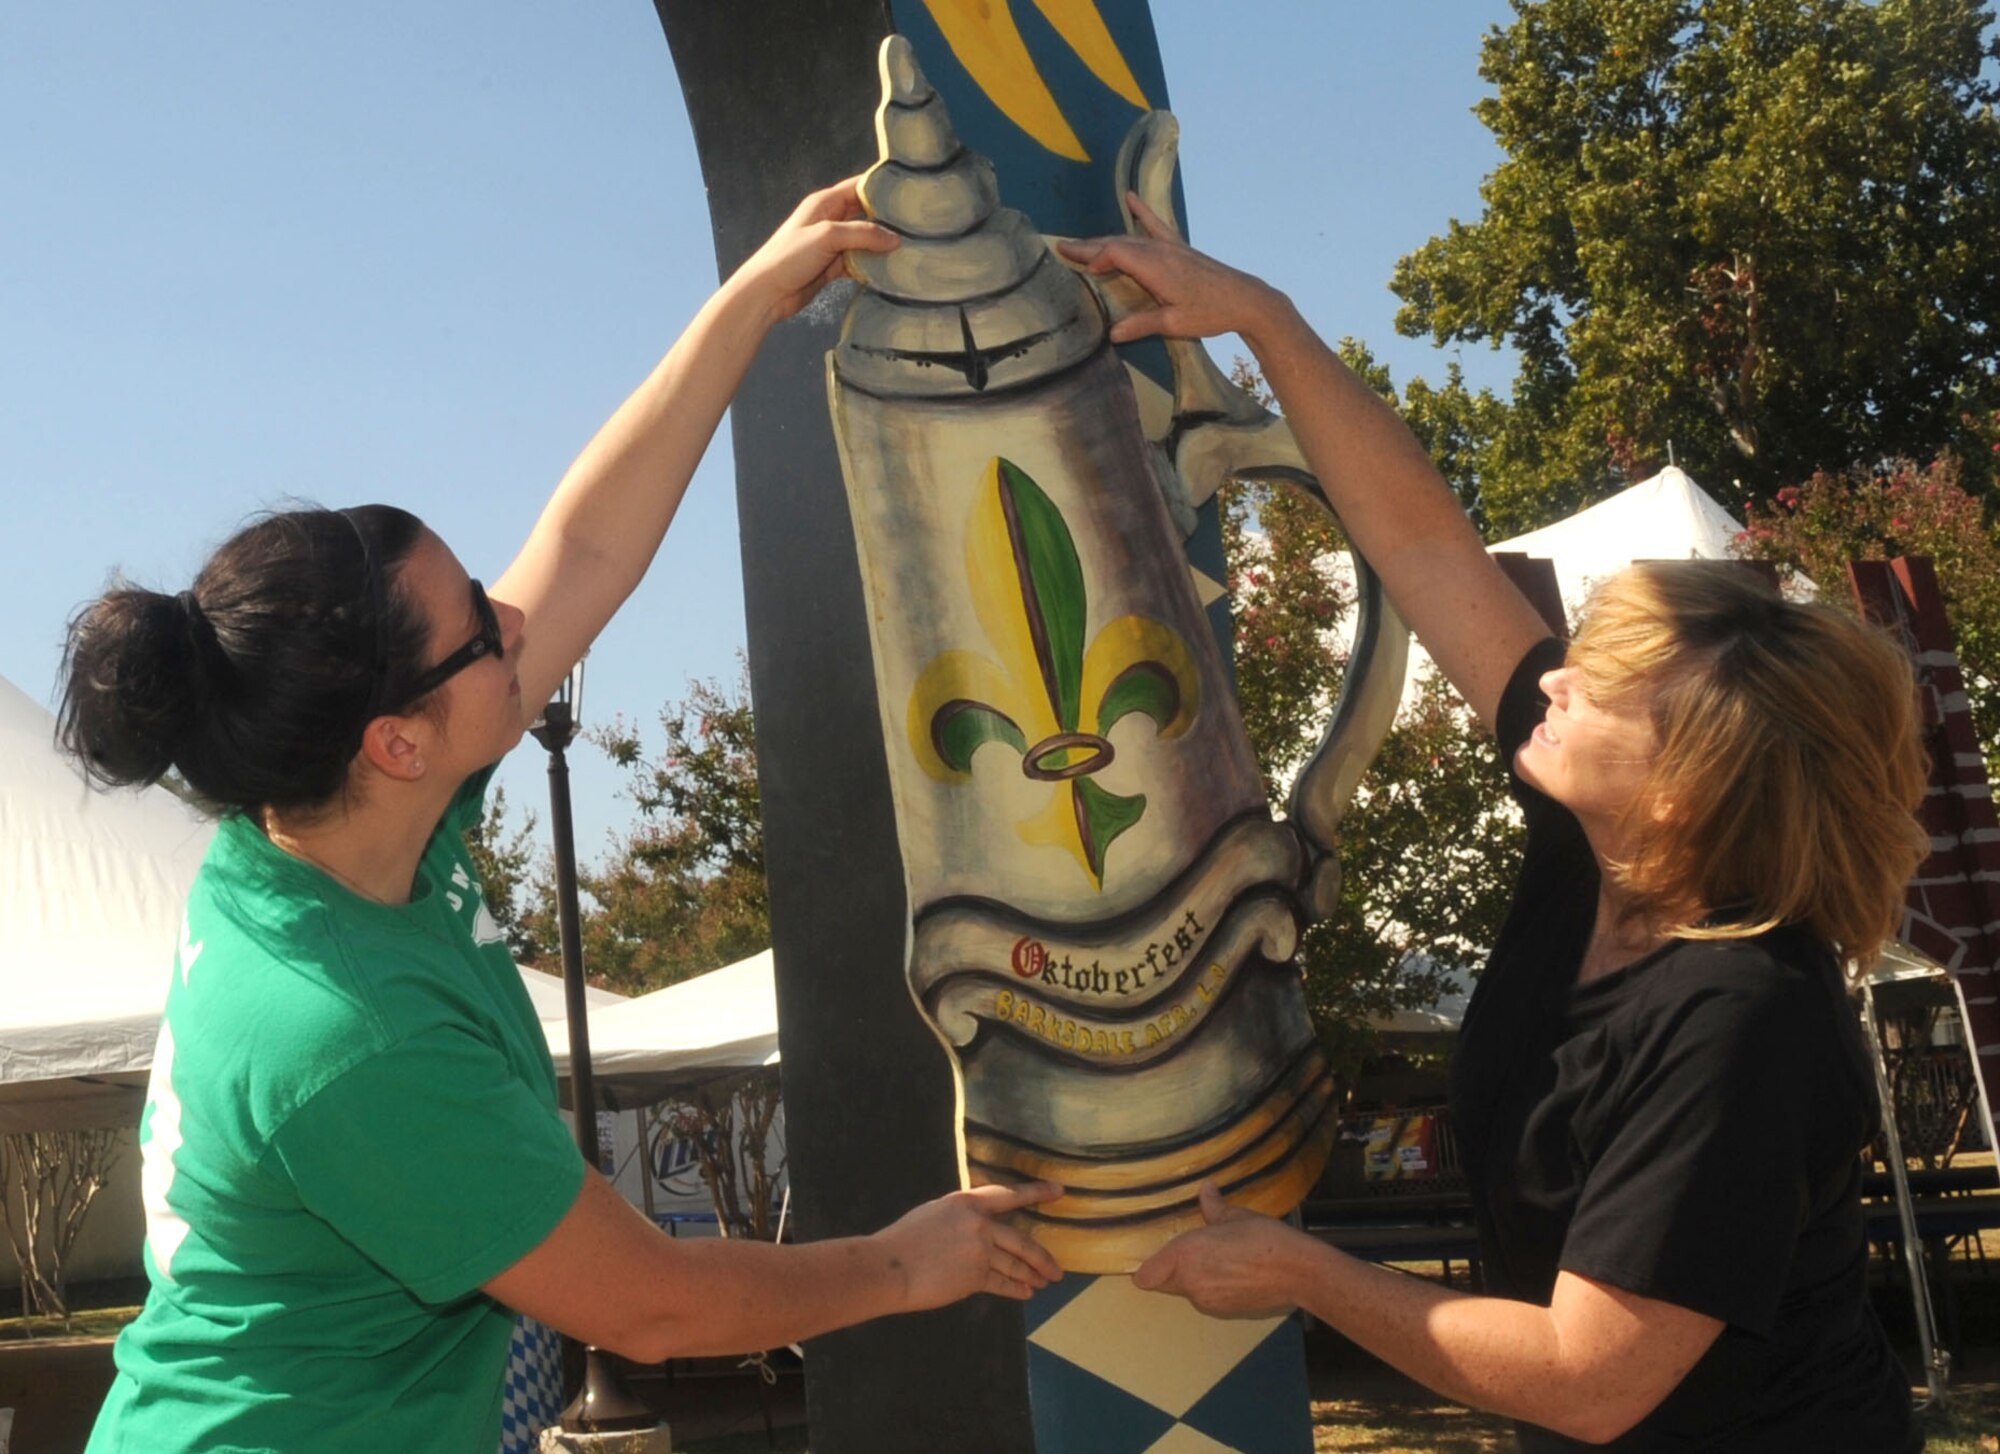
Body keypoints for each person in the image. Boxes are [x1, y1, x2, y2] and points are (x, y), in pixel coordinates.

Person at [62, 178, 1061, 1454]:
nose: (519, 624)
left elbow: (584, 546)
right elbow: (647, 1300)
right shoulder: (344, 1033)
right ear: (396, 740)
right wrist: (904, 1266)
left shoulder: (338, 825)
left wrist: (751, 300)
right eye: (482, 629)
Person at [1057, 201, 1929, 1451]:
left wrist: (1308, 1276)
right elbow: (1422, 545)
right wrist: (1264, 319)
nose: (1555, 677)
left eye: (1604, 685)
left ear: (1686, 787)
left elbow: (1587, 1374)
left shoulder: (1742, 1020)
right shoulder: (1604, 849)